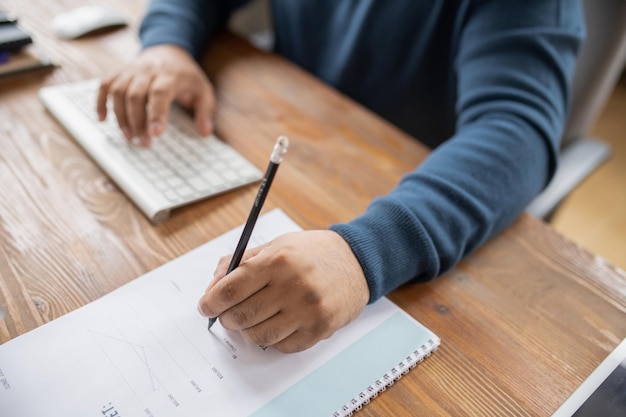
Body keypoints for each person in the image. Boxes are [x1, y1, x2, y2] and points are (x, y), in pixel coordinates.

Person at [97, 0, 584, 353]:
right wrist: (167, 44)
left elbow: (517, 130)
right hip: (308, 144)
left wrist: (363, 254)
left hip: (415, 214)